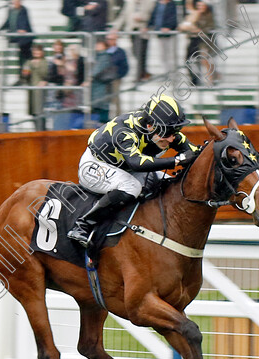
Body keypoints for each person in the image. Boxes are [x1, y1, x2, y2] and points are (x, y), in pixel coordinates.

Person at [67, 94, 200, 246]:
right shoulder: (124, 132)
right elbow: (137, 163)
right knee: (131, 187)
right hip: (94, 166)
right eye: (167, 133)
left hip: (124, 168)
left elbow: (194, 151)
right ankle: (82, 225)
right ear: (150, 126)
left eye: (175, 132)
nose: (172, 139)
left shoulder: (161, 130)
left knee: (166, 181)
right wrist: (177, 160)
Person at [110, 0, 156, 82]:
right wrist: (116, 27)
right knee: (135, 53)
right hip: (131, 31)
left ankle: (139, 76)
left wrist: (143, 19)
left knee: (141, 54)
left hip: (143, 32)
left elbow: (153, 15)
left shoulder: (150, 2)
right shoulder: (129, 2)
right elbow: (123, 15)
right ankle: (144, 73)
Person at [0, 0, 34, 83]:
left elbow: (24, 21)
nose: (16, 2)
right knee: (21, 61)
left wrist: (23, 29)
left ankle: (26, 78)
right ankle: (22, 78)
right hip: (17, 40)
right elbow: (7, 22)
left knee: (26, 61)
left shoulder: (23, 10)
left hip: (25, 40)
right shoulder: (11, 11)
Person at [179, 0, 215, 85]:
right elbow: (186, 26)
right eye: (198, 6)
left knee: (205, 60)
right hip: (194, 40)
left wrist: (197, 30)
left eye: (202, 6)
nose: (200, 8)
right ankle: (195, 79)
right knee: (190, 60)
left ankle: (211, 79)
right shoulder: (195, 14)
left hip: (205, 41)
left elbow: (208, 28)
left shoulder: (208, 16)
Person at [22, 43, 50, 131]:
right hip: (32, 90)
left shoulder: (45, 62)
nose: (36, 52)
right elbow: (24, 76)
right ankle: (36, 130)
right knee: (33, 111)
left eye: (38, 50)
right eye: (34, 50)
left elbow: (47, 74)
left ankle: (41, 129)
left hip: (41, 90)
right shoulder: (28, 62)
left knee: (40, 111)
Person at [148, 0, 179, 75]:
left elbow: (174, 17)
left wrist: (168, 27)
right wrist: (149, 26)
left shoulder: (172, 4)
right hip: (159, 33)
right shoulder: (157, 4)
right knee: (162, 54)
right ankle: (166, 72)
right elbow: (154, 16)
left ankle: (172, 73)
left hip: (169, 34)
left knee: (169, 54)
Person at [88, 39, 116, 121]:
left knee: (102, 109)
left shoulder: (103, 57)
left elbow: (95, 71)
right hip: (99, 88)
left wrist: (90, 77)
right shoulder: (98, 56)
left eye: (99, 44)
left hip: (101, 88)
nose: (97, 46)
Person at [105, 32, 129, 115]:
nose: (109, 41)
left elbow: (125, 66)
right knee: (105, 98)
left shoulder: (120, 52)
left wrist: (118, 75)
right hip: (104, 78)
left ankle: (117, 115)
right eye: (108, 39)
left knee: (116, 98)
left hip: (115, 78)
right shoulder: (104, 50)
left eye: (111, 39)